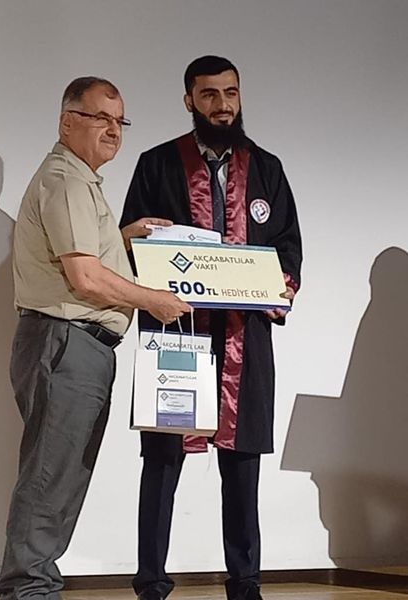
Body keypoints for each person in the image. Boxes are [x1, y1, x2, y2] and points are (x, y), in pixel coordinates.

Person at [0, 76, 191, 600]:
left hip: (77, 345)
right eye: (100, 117)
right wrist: (152, 299)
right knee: (50, 476)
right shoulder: (66, 181)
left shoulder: (81, 181)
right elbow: (85, 278)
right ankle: (29, 590)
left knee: (63, 476)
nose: (113, 129)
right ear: (67, 122)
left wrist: (122, 237)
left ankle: (35, 584)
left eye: (119, 120)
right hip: (66, 342)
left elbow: (84, 256)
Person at [120, 56, 303, 600]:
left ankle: (245, 582)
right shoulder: (157, 164)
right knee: (162, 462)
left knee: (242, 467)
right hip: (177, 335)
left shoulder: (266, 168)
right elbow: (130, 241)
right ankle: (151, 581)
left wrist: (282, 288)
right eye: (209, 95)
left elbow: (287, 245)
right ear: (189, 101)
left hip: (245, 337)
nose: (223, 105)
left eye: (231, 93)